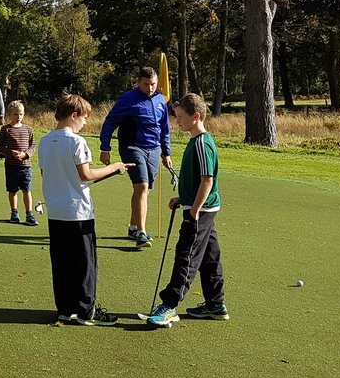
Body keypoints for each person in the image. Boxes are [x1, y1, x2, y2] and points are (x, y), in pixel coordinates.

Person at [38, 94, 131, 326]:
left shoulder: (45, 141)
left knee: (62, 262)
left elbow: (50, 175)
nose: (85, 123)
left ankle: (65, 308)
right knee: (84, 263)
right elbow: (86, 175)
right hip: (78, 212)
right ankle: (86, 310)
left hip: (56, 211)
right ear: (74, 115)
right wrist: (114, 167)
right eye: (84, 118)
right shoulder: (76, 142)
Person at [146, 93, 229, 327]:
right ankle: (215, 304)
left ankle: (170, 305)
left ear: (196, 116)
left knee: (187, 255)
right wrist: (182, 198)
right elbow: (195, 182)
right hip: (199, 207)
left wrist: (193, 211)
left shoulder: (202, 143)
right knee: (209, 257)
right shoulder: (195, 141)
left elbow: (207, 181)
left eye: (181, 117)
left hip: (201, 211)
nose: (177, 121)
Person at [98, 66, 173, 247]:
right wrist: (105, 147)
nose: (150, 88)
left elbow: (165, 128)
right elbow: (110, 122)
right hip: (132, 146)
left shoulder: (161, 100)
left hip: (154, 149)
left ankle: (132, 227)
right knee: (142, 185)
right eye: (146, 84)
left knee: (145, 190)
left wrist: (166, 152)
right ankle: (141, 233)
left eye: (153, 84)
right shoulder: (128, 99)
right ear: (138, 82)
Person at [0, 100, 37, 224]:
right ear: (10, 114)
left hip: (26, 166)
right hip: (11, 166)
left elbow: (33, 146)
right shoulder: (6, 129)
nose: (19, 117)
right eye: (16, 114)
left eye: (21, 114)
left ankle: (29, 214)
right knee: (12, 190)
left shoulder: (28, 129)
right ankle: (14, 213)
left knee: (27, 190)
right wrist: (10, 152)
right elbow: (0, 146)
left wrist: (25, 154)